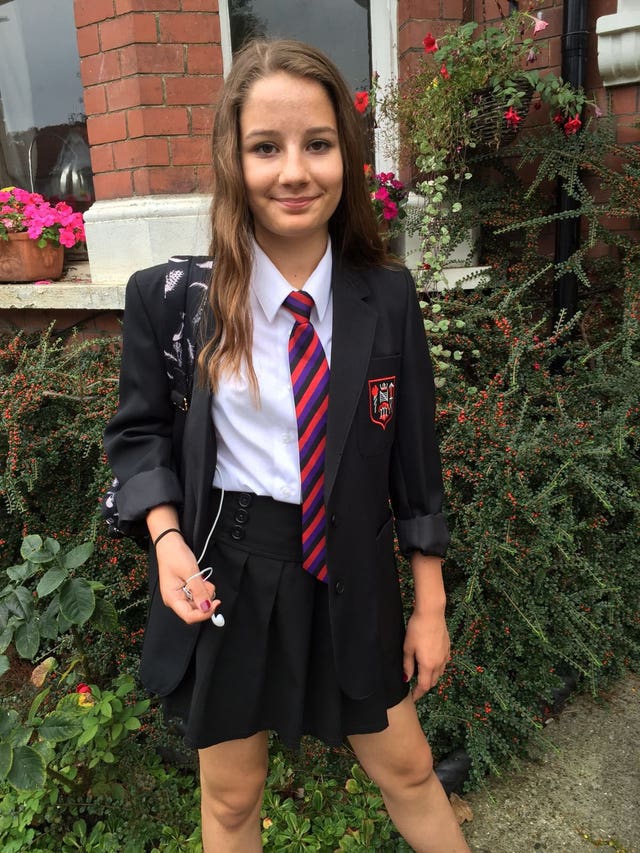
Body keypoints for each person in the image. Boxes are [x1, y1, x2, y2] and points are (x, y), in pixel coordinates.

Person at [104, 38, 470, 853]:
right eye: (266, 147)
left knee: (408, 768)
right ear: (234, 159)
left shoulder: (386, 297)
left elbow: (416, 461)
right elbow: (138, 436)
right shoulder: (174, 301)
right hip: (232, 569)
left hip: (355, 566)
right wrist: (165, 540)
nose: (294, 171)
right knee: (232, 799)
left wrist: (430, 604)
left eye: (318, 144)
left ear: (347, 152)